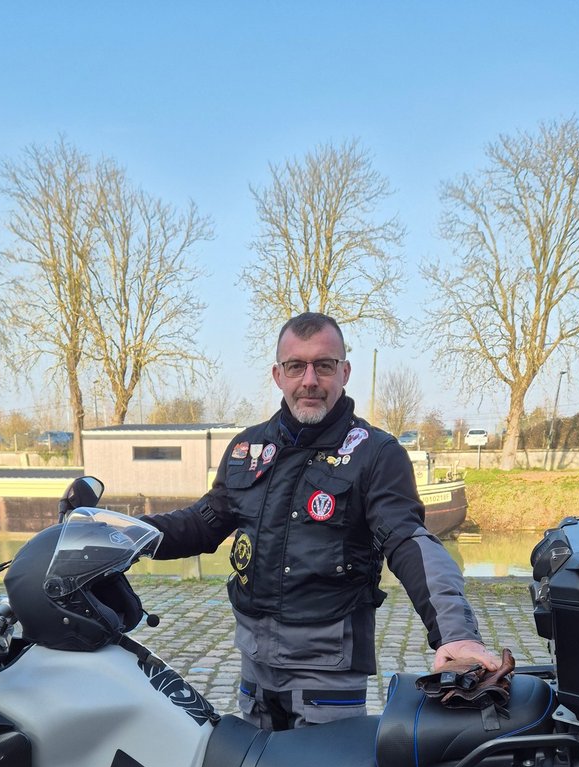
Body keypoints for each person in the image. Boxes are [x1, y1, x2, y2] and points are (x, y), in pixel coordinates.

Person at [143, 311, 499, 729]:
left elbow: (408, 540)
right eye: (296, 366)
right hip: (255, 673)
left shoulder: (375, 453)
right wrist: (120, 535)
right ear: (278, 375)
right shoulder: (247, 448)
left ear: (344, 372)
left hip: (326, 677)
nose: (309, 380)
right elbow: (202, 523)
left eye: (324, 366)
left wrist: (455, 632)